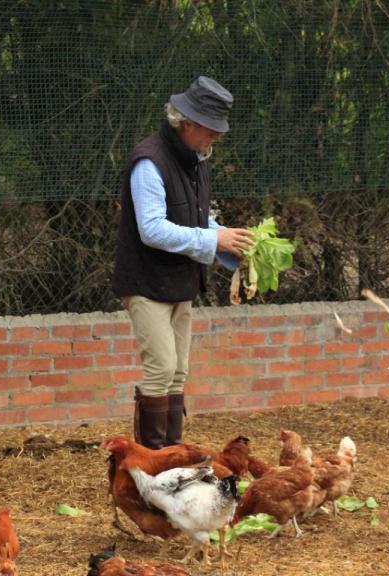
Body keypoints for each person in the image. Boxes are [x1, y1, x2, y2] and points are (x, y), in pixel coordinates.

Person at [112, 76, 254, 449]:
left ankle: (172, 457)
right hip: (145, 282)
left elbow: (195, 217)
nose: (217, 136)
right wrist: (213, 239)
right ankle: (150, 463)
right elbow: (152, 230)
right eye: (211, 128)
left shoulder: (196, 160)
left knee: (178, 372)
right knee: (160, 370)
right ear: (187, 123)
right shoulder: (149, 161)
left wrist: (227, 239)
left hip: (180, 281)